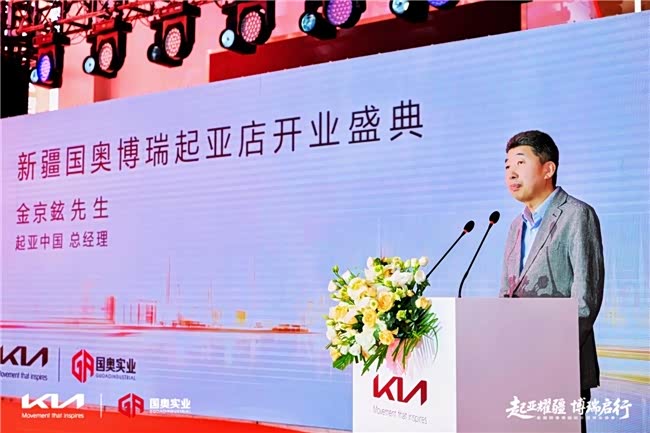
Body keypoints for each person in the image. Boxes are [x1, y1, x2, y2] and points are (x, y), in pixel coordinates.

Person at [499, 130, 604, 433]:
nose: (511, 172)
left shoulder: (577, 215)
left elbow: (585, 301)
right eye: (507, 166)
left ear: (548, 169)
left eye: (520, 162)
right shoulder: (515, 226)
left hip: (561, 367)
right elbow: (506, 294)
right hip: (516, 366)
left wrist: (547, 353)